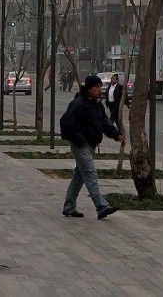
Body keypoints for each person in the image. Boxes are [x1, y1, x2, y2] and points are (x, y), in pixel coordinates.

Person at [60, 74, 125, 219]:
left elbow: (105, 123)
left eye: (100, 86)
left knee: (79, 176)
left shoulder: (97, 105)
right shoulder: (79, 104)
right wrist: (80, 140)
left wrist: (116, 134)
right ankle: (101, 206)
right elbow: (66, 124)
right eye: (96, 87)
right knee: (91, 175)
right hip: (81, 145)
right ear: (89, 89)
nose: (99, 90)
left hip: (91, 145)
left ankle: (69, 207)